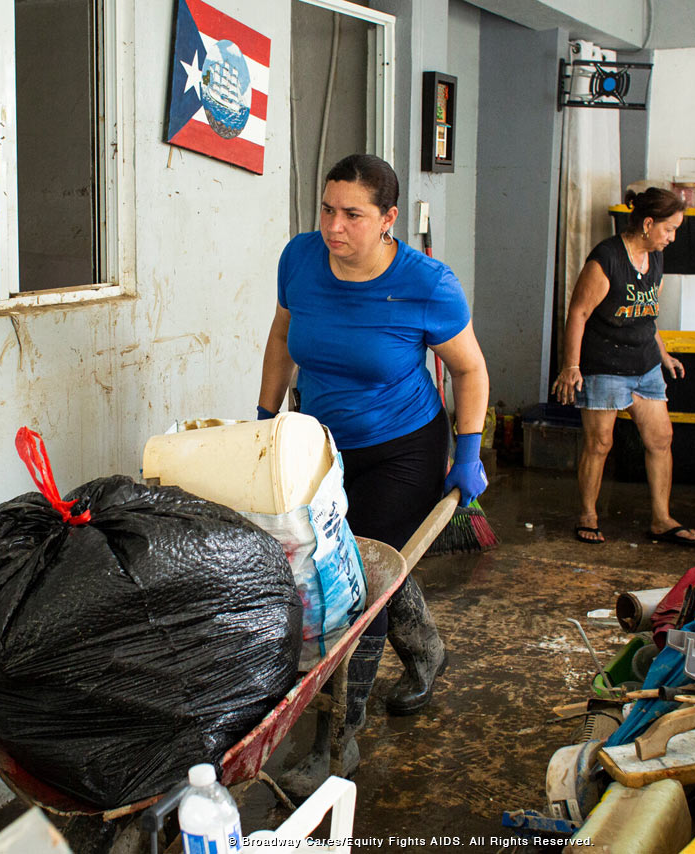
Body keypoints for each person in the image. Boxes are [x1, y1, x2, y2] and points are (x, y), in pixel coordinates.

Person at [257, 153, 489, 797]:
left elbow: (470, 370)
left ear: (388, 220)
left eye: (352, 215)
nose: (334, 226)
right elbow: (282, 337)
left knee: (356, 588)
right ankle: (427, 650)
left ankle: (336, 743)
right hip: (322, 445)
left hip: (402, 449)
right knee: (354, 565)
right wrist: (263, 417)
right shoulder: (299, 260)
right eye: (327, 209)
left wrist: (467, 452)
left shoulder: (427, 285)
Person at [552, 187, 695, 547]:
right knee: (600, 443)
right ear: (648, 224)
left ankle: (661, 519)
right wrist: (572, 365)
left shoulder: (656, 258)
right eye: (669, 229)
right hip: (605, 364)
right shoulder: (607, 259)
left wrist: (662, 355)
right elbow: (579, 313)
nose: (672, 237)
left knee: (661, 438)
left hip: (644, 364)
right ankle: (588, 514)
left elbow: (648, 315)